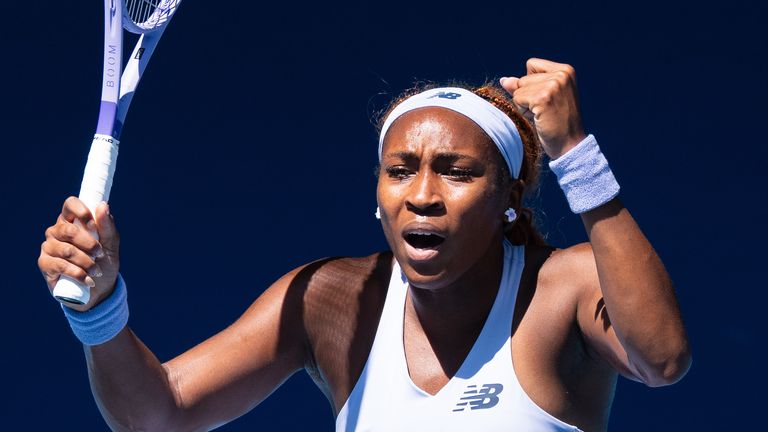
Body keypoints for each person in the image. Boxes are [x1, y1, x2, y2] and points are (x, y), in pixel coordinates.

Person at [38, 58, 691, 431]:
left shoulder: (565, 286)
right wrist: (98, 310)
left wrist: (578, 158)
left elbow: (661, 360)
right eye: (400, 170)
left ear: (508, 198)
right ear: (378, 192)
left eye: (458, 172)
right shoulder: (332, 298)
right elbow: (161, 417)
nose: (423, 193)